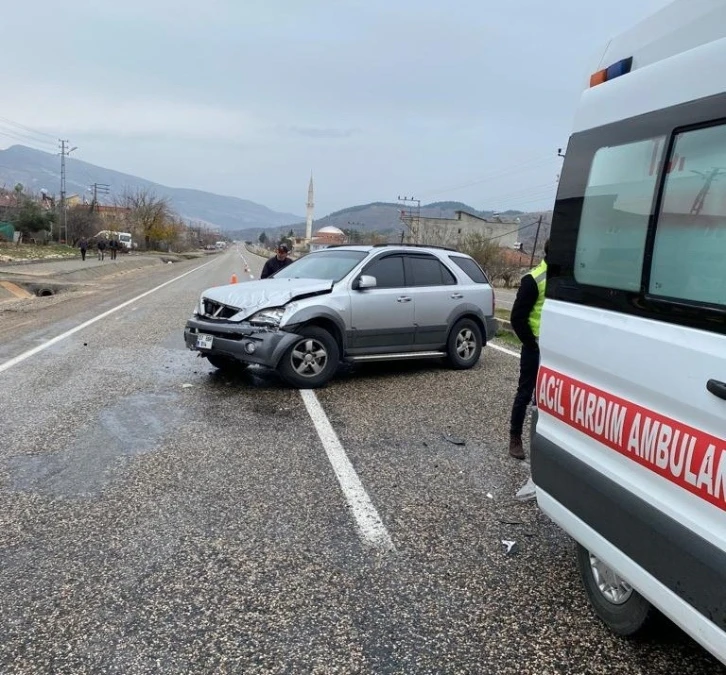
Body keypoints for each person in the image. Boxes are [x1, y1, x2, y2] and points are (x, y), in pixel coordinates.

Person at [508, 239, 548, 460]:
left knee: (546, 398)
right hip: (535, 347)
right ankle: (515, 437)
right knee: (525, 393)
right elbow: (517, 317)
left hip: (556, 350)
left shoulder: (565, 281)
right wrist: (531, 344)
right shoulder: (534, 279)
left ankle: (542, 441)